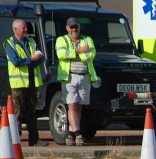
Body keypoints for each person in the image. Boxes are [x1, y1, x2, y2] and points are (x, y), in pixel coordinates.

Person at [4, 18, 48, 147]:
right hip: (17, 85)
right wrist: (31, 59)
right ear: (15, 29)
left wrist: (33, 60)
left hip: (31, 82)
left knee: (31, 112)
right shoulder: (9, 44)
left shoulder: (31, 42)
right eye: (23, 28)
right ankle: (14, 141)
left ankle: (34, 140)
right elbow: (16, 61)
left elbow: (40, 58)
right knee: (16, 113)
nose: (26, 30)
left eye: (26, 28)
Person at [56, 17, 98, 146]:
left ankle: (70, 133)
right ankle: (78, 134)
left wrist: (74, 53)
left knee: (78, 106)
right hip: (69, 77)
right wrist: (79, 51)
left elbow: (91, 54)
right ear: (67, 28)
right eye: (72, 27)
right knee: (72, 105)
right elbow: (61, 54)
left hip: (85, 76)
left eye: (76, 27)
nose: (74, 29)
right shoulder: (61, 40)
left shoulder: (87, 39)